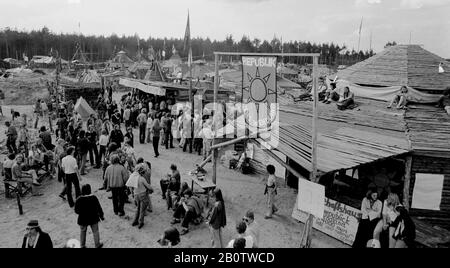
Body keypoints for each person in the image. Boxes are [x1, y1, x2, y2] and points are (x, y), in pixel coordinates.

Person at [74, 184, 104, 248]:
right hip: (94, 218)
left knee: (83, 231)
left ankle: (82, 245)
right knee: (95, 231)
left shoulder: (79, 199)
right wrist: (101, 215)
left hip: (82, 219)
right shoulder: (94, 197)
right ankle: (97, 244)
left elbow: (76, 211)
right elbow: (99, 208)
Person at [131, 165, 153, 229]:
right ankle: (141, 222)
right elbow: (148, 186)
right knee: (142, 210)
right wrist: (152, 190)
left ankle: (135, 221)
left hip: (136, 194)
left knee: (138, 208)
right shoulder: (142, 179)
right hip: (142, 194)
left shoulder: (134, 177)